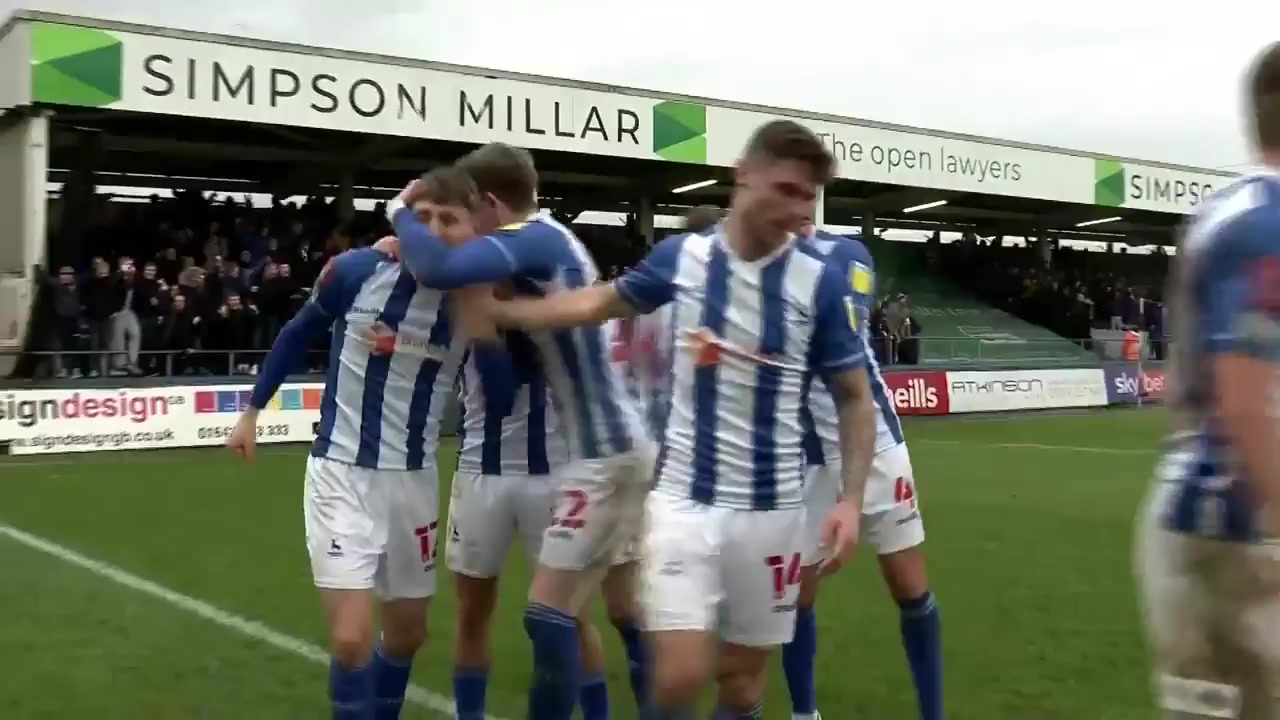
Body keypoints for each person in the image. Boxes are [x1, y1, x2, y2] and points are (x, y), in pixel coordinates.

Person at [481, 120, 878, 719]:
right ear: (743, 175)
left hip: (774, 513)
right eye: (787, 189)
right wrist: (502, 311)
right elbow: (598, 301)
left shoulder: (818, 283)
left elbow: (854, 396)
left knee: (743, 686)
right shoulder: (683, 258)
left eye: (808, 198)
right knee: (679, 676)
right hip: (684, 502)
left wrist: (849, 500)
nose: (800, 211)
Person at [386, 143, 652, 720]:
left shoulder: (534, 239)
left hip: (597, 452)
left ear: (487, 203)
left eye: (463, 213)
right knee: (570, 612)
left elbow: (441, 266)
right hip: (573, 453)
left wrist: (400, 214)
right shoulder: (537, 246)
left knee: (568, 614)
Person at [226, 168, 483, 720]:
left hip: (414, 482)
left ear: (470, 228)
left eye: (448, 218)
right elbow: (297, 334)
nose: (433, 228)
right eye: (423, 216)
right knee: (350, 640)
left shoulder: (475, 297)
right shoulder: (355, 272)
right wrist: (251, 412)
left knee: (408, 634)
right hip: (342, 473)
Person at [1134, 42, 1280, 720]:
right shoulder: (1265, 227)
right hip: (1237, 527)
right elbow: (1244, 397)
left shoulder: (1227, 215)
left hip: (1199, 522)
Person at [788, 221, 942, 720]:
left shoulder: (846, 254)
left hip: (874, 445)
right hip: (806, 453)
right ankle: (804, 712)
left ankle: (931, 712)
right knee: (796, 592)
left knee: (908, 585)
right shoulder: (753, 265)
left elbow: (840, 322)